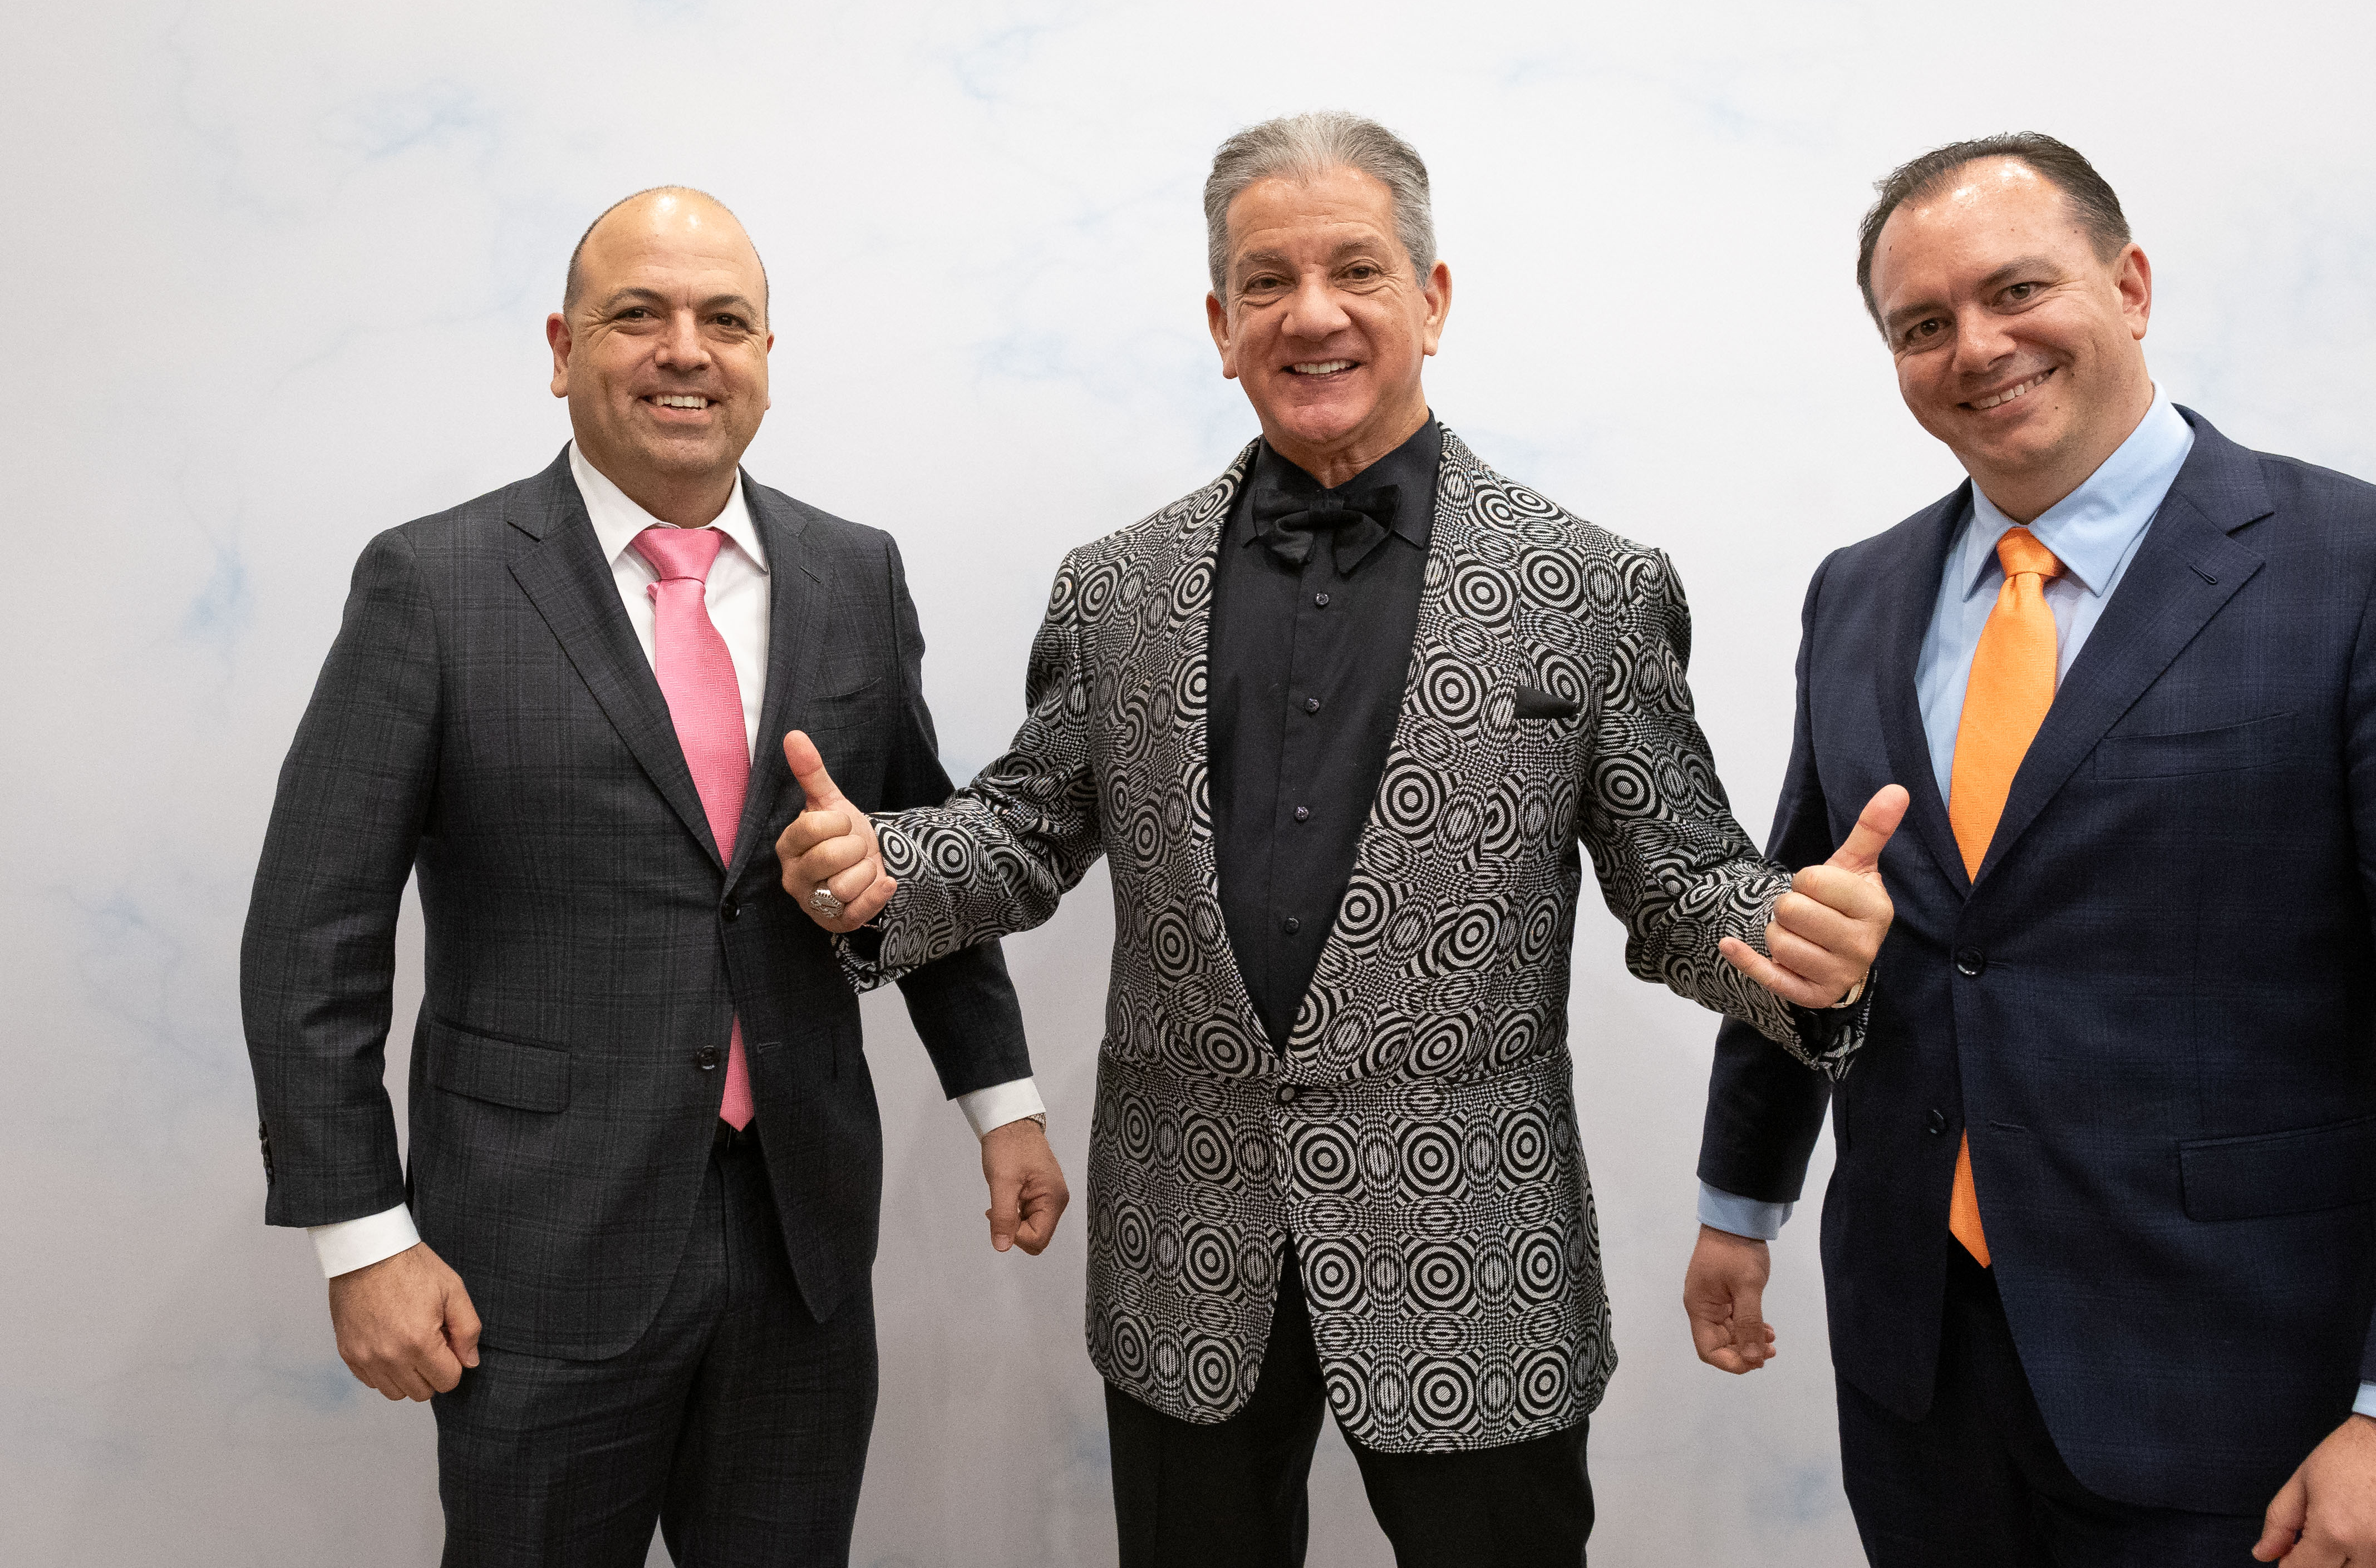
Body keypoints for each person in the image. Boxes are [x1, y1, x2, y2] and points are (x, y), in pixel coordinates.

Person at [776, 111, 1898, 1566]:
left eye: (1355, 269)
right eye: (1266, 280)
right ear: (1219, 324)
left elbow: (1680, 883)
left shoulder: (1586, 588)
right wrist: (889, 868)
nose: (1310, 313)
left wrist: (1792, 945)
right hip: (1184, 1245)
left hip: (1473, 1254)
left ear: (1430, 299)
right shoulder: (1116, 588)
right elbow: (1024, 829)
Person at [240, 186, 1068, 1567]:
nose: (686, 349)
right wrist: (361, 1235)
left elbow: (916, 857)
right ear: (563, 349)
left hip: (801, 1241)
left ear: (764, 358)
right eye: (639, 314)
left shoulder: (853, 574)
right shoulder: (434, 583)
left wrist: (1003, 1102)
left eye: (724, 320)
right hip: (534, 1251)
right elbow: (308, 936)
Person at [1683, 132, 2376, 1567]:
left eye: (2014, 290)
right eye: (1921, 325)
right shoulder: (1858, 592)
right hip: (1919, 1367)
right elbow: (1804, 910)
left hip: (2239, 1384)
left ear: (2128, 286)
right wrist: (1737, 1201)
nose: (1976, 348)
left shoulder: (2347, 567)